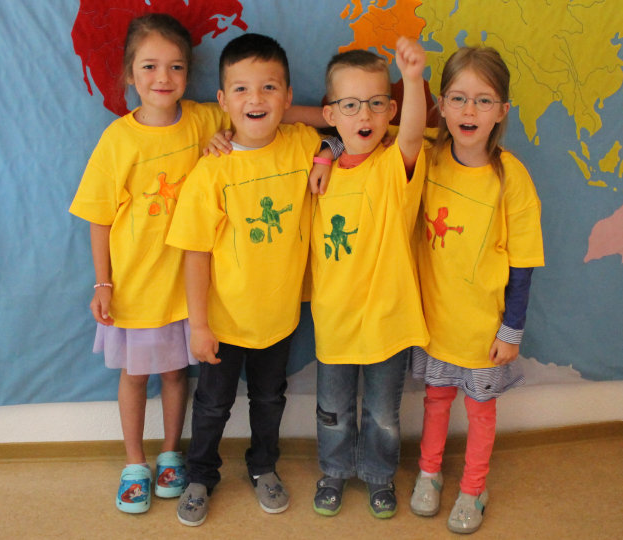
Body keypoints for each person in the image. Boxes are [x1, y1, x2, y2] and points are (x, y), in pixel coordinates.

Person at [69, 13, 230, 514]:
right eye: (150, 66)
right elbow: (98, 217)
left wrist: (334, 124)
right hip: (136, 287)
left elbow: (259, 116)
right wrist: (103, 282)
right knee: (136, 377)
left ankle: (169, 455)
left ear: (188, 73)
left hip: (188, 287)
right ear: (129, 74)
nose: (164, 78)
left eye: (176, 67)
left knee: (179, 375)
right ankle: (134, 462)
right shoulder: (118, 140)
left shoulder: (205, 119)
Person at [166, 33, 327, 527]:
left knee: (269, 399)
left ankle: (263, 466)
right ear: (221, 101)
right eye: (241, 90)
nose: (255, 100)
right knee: (212, 404)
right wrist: (198, 325)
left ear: (288, 94)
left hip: (278, 318)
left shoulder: (303, 145)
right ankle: (200, 474)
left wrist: (322, 154)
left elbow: (340, 120)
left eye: (269, 88)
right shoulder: (211, 170)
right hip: (223, 319)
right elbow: (194, 253)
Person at [409, 46, 544, 534]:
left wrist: (512, 330)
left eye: (483, 101)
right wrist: (329, 149)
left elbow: (525, 265)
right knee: (435, 401)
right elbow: (365, 138)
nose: (470, 111)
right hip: (435, 323)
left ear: (502, 111)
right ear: (441, 105)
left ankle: (473, 488)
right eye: (459, 98)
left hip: (485, 331)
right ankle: (429, 474)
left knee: (480, 412)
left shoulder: (513, 179)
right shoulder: (426, 155)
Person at [309, 38, 429, 520]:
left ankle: (380, 477)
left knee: (383, 414)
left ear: (391, 109)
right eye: (351, 104)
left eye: (377, 103)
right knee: (332, 411)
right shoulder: (319, 169)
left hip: (387, 321)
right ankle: (334, 471)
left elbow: (415, 135)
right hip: (334, 322)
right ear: (331, 113)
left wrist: (415, 78)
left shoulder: (391, 167)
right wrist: (323, 149)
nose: (366, 114)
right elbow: (289, 123)